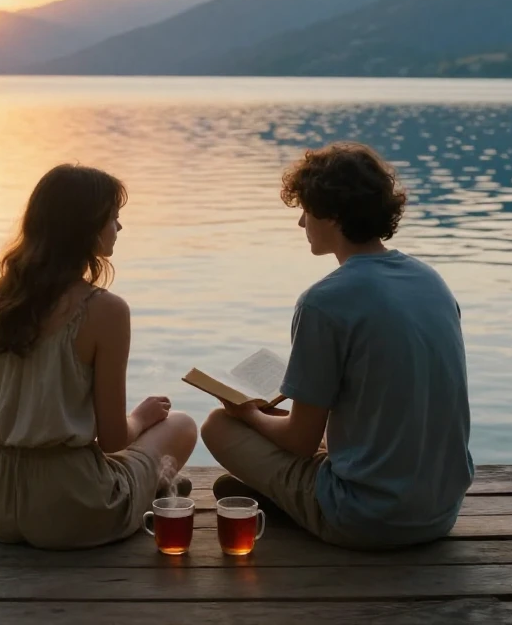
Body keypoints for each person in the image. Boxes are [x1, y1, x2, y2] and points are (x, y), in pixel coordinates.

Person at [201, 141, 474, 549]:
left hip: (366, 519)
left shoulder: (323, 301)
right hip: (439, 513)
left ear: (331, 214)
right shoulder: (431, 281)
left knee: (217, 426)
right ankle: (290, 501)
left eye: (306, 212)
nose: (301, 225)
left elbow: (300, 442)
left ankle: (303, 508)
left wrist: (248, 413)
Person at [0, 164, 197, 549]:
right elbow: (113, 439)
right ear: (85, 228)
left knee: (127, 459)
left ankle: (151, 484)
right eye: (113, 219)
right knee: (183, 425)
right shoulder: (105, 310)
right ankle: (151, 486)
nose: (118, 229)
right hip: (72, 506)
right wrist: (142, 416)